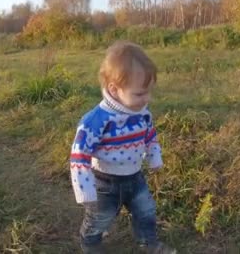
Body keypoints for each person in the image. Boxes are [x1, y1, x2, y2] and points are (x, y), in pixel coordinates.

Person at [69, 41, 176, 253]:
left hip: (135, 178)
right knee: (100, 218)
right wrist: (85, 190)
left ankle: (149, 242)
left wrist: (154, 157)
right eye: (139, 93)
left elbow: (149, 134)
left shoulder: (142, 113)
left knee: (146, 211)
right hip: (104, 183)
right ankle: (90, 243)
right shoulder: (96, 120)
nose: (147, 99)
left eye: (149, 92)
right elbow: (79, 155)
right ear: (114, 90)